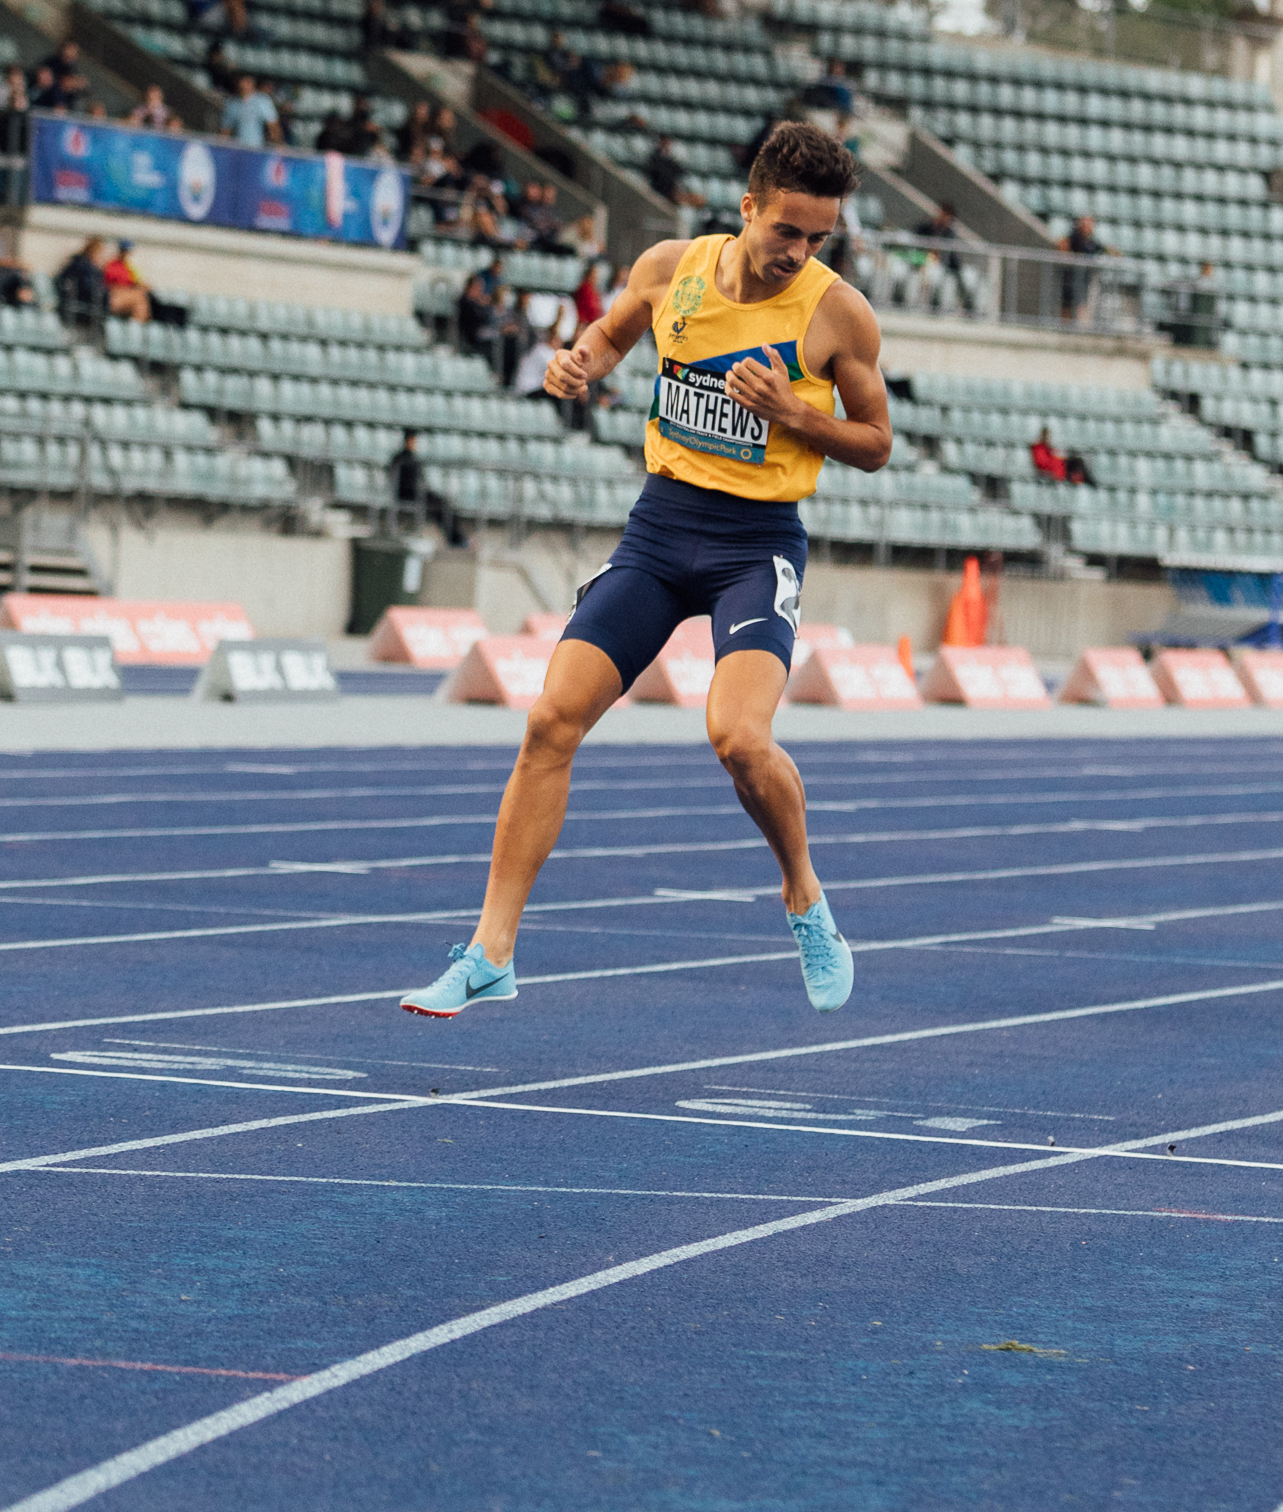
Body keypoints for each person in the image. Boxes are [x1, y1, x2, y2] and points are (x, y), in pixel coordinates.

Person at [399, 120, 892, 1023]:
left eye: (818, 237)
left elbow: (875, 443)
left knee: (738, 739)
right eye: (786, 230)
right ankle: (489, 953)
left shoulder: (836, 313)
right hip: (661, 531)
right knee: (550, 719)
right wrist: (577, 363)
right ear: (747, 209)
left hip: (755, 544)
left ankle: (803, 899)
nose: (799, 251)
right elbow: (611, 332)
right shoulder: (673, 268)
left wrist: (794, 413)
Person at [387, 430, 466, 547]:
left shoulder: (412, 458)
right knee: (441, 506)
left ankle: (456, 538)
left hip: (418, 493)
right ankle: (455, 540)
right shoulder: (401, 459)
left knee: (445, 505)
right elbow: (401, 482)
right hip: (409, 494)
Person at [1057, 214, 1107, 323]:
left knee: (1082, 304)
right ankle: (1064, 327)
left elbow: (1102, 250)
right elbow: (1063, 244)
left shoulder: (1092, 241)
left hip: (1085, 279)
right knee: (1067, 305)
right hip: (1071, 278)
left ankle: (1080, 327)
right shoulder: (1075, 237)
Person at [54, 236, 107, 325]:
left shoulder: (92, 268)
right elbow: (88, 287)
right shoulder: (82, 265)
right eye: (101, 253)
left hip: (96, 300)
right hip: (86, 302)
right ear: (94, 252)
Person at [221, 73, 281, 148]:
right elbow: (226, 128)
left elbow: (273, 125)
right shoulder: (233, 103)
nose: (244, 85)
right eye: (242, 82)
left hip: (256, 147)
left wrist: (278, 144)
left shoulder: (262, 101)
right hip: (238, 147)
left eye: (247, 82)